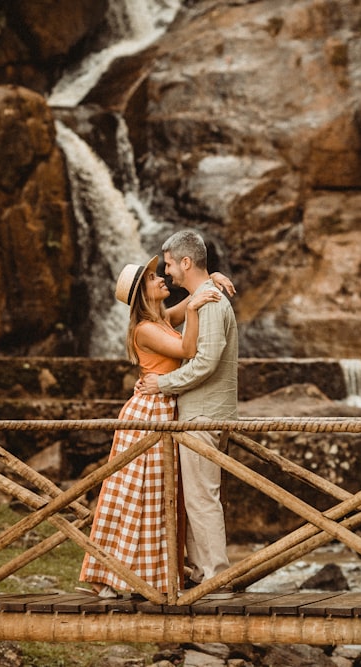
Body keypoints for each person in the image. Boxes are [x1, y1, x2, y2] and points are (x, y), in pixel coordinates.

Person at [78, 254, 234, 598]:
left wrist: (213, 278)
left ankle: (146, 575)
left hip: (163, 409)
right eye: (152, 278)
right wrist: (193, 311)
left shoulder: (161, 317)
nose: (161, 278)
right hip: (149, 413)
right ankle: (115, 574)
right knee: (138, 494)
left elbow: (195, 294)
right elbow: (188, 348)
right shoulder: (146, 329)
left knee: (158, 495)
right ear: (142, 295)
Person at [137, 230, 238, 592]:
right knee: (197, 497)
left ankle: (215, 576)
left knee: (202, 498)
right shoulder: (202, 296)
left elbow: (206, 361)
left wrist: (161, 384)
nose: (166, 273)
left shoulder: (208, 301)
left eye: (168, 265)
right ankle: (202, 572)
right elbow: (173, 322)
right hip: (205, 412)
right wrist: (210, 278)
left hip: (202, 415)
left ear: (185, 262)